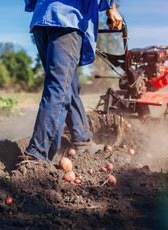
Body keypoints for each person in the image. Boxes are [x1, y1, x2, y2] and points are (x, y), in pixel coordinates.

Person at [22, 0, 123, 162]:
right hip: (67, 18)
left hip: (42, 19)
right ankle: (39, 152)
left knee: (68, 84)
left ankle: (81, 137)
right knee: (58, 88)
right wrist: (111, 7)